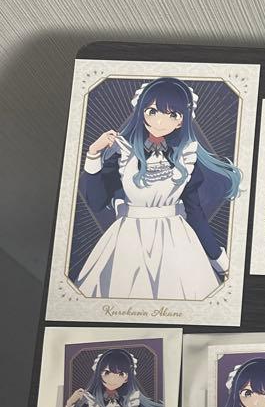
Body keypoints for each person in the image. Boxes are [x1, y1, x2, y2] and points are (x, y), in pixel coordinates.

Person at [74, 76, 241, 298]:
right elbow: (96, 202)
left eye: (172, 115)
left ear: (181, 121)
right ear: (141, 111)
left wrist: (220, 262)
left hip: (176, 240)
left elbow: (195, 215)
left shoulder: (187, 156)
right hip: (127, 241)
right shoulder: (123, 151)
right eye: (153, 111)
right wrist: (94, 153)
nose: (160, 121)